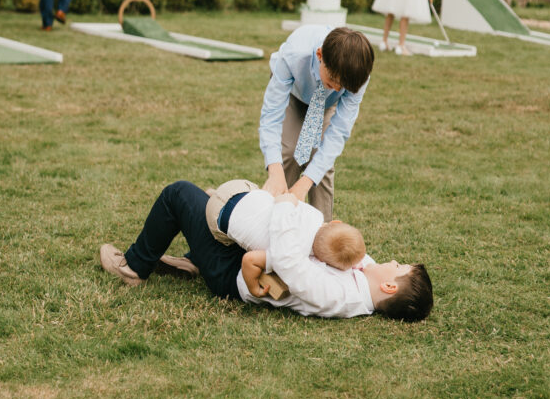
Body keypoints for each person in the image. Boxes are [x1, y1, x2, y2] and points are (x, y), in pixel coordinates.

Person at [99, 179, 433, 323]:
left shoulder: (339, 297)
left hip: (232, 275)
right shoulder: (362, 280)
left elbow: (289, 262)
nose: (391, 260)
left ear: (389, 286)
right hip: (245, 260)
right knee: (210, 205)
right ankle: (192, 260)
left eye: (398, 266)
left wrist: (288, 205)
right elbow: (341, 247)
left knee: (180, 195)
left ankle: (133, 268)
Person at [259, 25, 375, 221]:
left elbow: (338, 132)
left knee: (321, 163)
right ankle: (272, 221)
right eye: (333, 81)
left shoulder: (356, 75)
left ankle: (322, 232)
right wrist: (274, 169)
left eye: (343, 87)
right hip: (293, 92)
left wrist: (305, 183)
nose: (338, 88)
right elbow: (271, 116)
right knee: (287, 152)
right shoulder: (293, 55)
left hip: (324, 104)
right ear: (320, 55)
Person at [204, 177, 366, 296]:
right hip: (217, 217)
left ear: (335, 222)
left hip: (240, 189)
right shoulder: (290, 251)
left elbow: (285, 199)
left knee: (261, 202)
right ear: (320, 260)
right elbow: (249, 260)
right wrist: (254, 288)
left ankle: (214, 194)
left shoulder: (314, 214)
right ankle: (211, 199)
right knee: (230, 240)